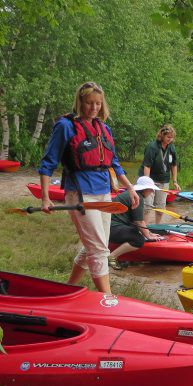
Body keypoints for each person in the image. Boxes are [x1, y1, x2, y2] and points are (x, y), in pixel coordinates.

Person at [38, 82, 139, 294]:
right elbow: (47, 163)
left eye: (98, 104)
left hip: (104, 194)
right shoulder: (65, 126)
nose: (94, 108)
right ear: (80, 102)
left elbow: (114, 163)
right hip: (81, 196)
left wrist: (129, 188)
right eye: (89, 103)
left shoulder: (104, 128)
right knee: (100, 249)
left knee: (94, 245)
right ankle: (107, 299)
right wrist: (45, 198)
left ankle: (68, 289)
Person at [108, 176, 164, 270]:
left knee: (139, 231)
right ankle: (112, 257)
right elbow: (139, 221)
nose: (152, 192)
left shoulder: (130, 194)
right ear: (144, 189)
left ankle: (124, 258)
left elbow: (137, 221)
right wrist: (148, 236)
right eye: (151, 189)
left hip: (110, 227)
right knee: (138, 240)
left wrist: (149, 232)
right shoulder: (138, 197)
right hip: (113, 228)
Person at [138, 124, 180, 224]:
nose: (170, 139)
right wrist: (147, 184)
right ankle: (144, 228)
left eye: (172, 137)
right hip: (150, 179)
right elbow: (147, 166)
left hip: (163, 180)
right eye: (168, 137)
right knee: (147, 206)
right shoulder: (152, 147)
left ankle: (157, 227)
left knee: (161, 207)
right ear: (162, 135)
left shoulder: (171, 148)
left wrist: (175, 181)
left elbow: (174, 165)